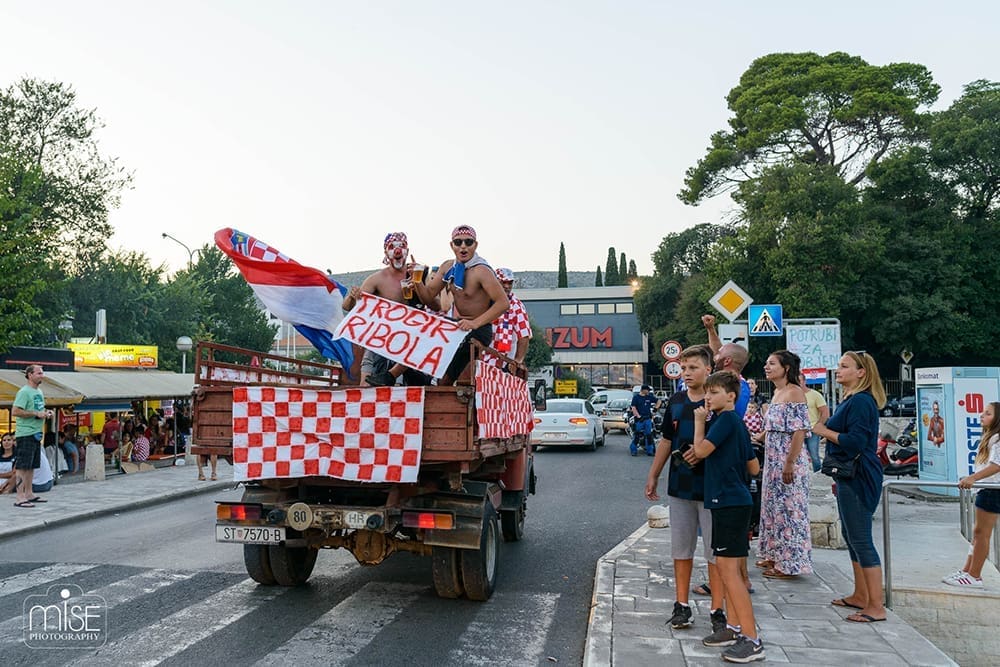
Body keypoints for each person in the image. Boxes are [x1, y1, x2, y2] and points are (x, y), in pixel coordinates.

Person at [644, 345, 730, 634]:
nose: (687, 373)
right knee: (681, 549)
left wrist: (703, 452)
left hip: (713, 487)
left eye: (693, 368)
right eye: (683, 368)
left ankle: (717, 609)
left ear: (708, 369)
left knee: (714, 552)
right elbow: (666, 440)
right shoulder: (677, 401)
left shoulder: (717, 403)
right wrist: (654, 474)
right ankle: (681, 605)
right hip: (680, 485)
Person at [684, 371, 764, 662]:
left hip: (729, 503)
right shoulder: (734, 423)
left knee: (730, 573)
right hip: (732, 501)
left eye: (714, 392)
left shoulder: (726, 420)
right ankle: (733, 627)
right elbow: (754, 467)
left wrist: (698, 422)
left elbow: (701, 451)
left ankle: (752, 639)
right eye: (707, 391)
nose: (708, 397)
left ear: (731, 396)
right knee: (727, 569)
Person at [811, 351, 888, 623]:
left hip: (859, 475)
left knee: (861, 539)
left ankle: (876, 606)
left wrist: (824, 431)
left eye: (845, 366)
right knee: (851, 535)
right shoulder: (853, 399)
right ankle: (860, 594)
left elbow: (855, 441)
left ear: (861, 372)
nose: (838, 370)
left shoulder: (861, 402)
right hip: (850, 475)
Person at [413, 225, 509, 385]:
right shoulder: (447, 267)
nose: (463, 246)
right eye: (458, 242)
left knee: (457, 356)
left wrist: (475, 323)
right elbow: (428, 297)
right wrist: (416, 280)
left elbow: (503, 303)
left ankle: (441, 385)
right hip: (458, 325)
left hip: (479, 329)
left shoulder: (481, 271)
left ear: (475, 245)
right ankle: (392, 374)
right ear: (452, 245)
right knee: (420, 330)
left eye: (468, 242)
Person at [756, 351, 812, 579]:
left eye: (772, 363)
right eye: (766, 363)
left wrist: (789, 462)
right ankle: (773, 554)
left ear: (786, 367)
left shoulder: (794, 392)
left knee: (790, 512)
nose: (766, 367)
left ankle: (790, 564)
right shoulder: (777, 392)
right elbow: (773, 425)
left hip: (788, 459)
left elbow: (799, 430)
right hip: (772, 459)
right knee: (772, 509)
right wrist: (757, 437)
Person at [342, 232, 425, 386]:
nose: (397, 251)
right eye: (392, 247)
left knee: (398, 387)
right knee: (366, 383)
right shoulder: (377, 279)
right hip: (379, 338)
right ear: (386, 252)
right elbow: (347, 307)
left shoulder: (418, 275)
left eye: (401, 246)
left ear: (407, 250)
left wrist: (420, 284)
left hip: (405, 340)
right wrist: (352, 296)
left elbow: (436, 305)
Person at [942, 401, 1000, 588]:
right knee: (977, 533)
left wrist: (973, 478)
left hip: (992, 490)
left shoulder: (997, 438)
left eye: (988, 413)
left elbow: (996, 466)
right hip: (986, 489)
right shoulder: (990, 437)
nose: (982, 415)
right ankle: (967, 571)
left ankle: (974, 575)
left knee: (982, 534)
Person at [11, 364, 54, 508]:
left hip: (36, 432)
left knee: (32, 465)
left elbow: (38, 409)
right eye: (39, 373)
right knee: (22, 466)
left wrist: (46, 413)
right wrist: (36, 413)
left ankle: (29, 493)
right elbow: (15, 411)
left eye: (42, 373)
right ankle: (20, 497)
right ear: (30, 375)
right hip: (25, 433)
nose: (42, 376)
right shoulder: (24, 392)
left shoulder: (39, 392)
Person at [702, 315, 751, 415]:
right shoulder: (738, 384)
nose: (714, 358)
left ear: (727, 361)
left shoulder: (736, 387)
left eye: (718, 355)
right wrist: (710, 329)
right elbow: (717, 351)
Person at [489, 267, 532, 370]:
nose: (507, 286)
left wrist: (517, 361)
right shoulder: (484, 300)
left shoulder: (516, 306)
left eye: (510, 283)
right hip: (481, 358)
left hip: (503, 363)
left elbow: (524, 335)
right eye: (503, 282)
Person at [802, 378, 830, 472]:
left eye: (799, 380)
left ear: (804, 381)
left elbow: (825, 412)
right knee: (799, 455)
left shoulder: (815, 395)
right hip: (798, 430)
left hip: (812, 429)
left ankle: (818, 473)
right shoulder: (792, 395)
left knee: (814, 455)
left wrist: (819, 426)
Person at [629, 385, 660, 456]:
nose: (648, 391)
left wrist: (655, 409)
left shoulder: (649, 397)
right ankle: (633, 450)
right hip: (639, 420)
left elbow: (659, 401)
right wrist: (638, 416)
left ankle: (650, 451)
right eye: (648, 390)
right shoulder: (636, 397)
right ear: (643, 390)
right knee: (637, 435)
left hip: (647, 419)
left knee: (649, 435)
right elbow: (633, 407)